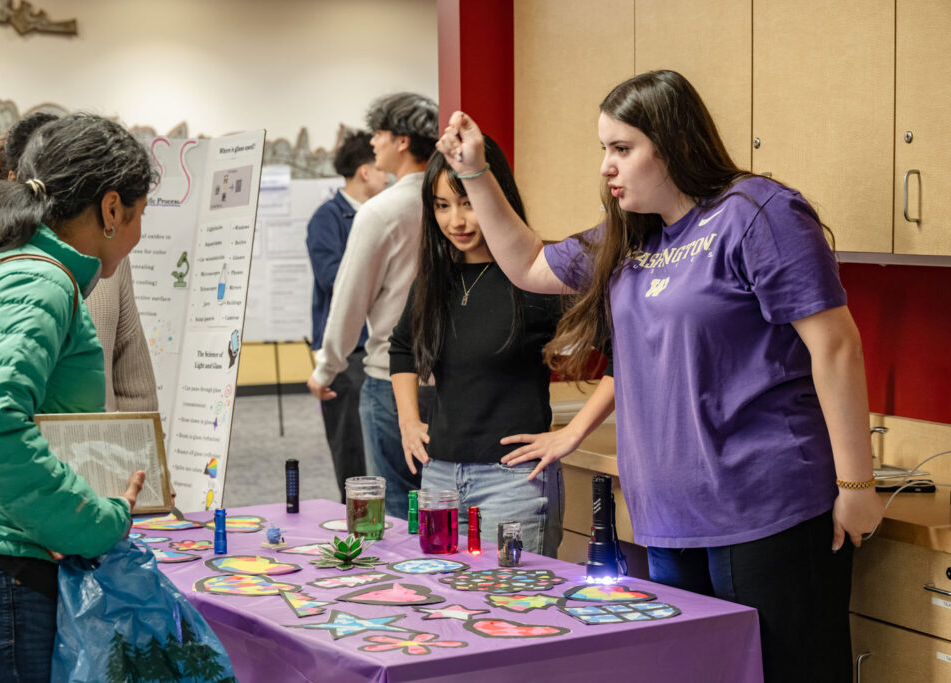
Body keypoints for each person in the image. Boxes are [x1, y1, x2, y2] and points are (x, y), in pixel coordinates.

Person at [436, 70, 884, 682]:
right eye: (604, 150)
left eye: (622, 149)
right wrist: (475, 174)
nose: (606, 167)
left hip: (766, 507)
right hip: (667, 519)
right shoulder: (631, 240)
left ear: (672, 144)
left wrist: (857, 487)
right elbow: (530, 264)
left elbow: (836, 347)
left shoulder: (757, 213)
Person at [0, 113, 153, 682]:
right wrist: (89, 523)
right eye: (139, 213)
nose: (139, 231)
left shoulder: (0, 263)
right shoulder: (38, 279)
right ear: (109, 209)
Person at [389, 136, 570, 557]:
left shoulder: (540, 276)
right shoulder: (436, 280)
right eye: (442, 205)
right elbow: (401, 347)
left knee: (517, 611)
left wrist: (569, 436)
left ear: (495, 195)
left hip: (514, 483)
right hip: (439, 480)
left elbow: (624, 350)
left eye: (468, 201)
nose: (457, 220)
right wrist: (408, 421)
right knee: (444, 603)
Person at [308, 92, 438, 519]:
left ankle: (408, 588)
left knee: (399, 508)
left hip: (389, 378)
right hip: (456, 381)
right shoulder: (461, 201)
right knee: (446, 505)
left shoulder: (381, 211)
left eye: (379, 135)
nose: (373, 144)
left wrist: (326, 368)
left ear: (402, 141)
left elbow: (348, 300)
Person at [0, 111, 159, 413]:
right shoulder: (26, 279)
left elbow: (134, 382)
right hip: (48, 458)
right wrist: (55, 464)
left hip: (95, 453)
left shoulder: (100, 264)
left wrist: (139, 455)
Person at [306, 130, 389, 502]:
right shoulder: (326, 218)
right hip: (348, 350)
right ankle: (355, 527)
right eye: (381, 168)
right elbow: (333, 280)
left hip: (382, 347)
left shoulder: (384, 214)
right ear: (365, 171)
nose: (389, 176)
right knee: (350, 449)